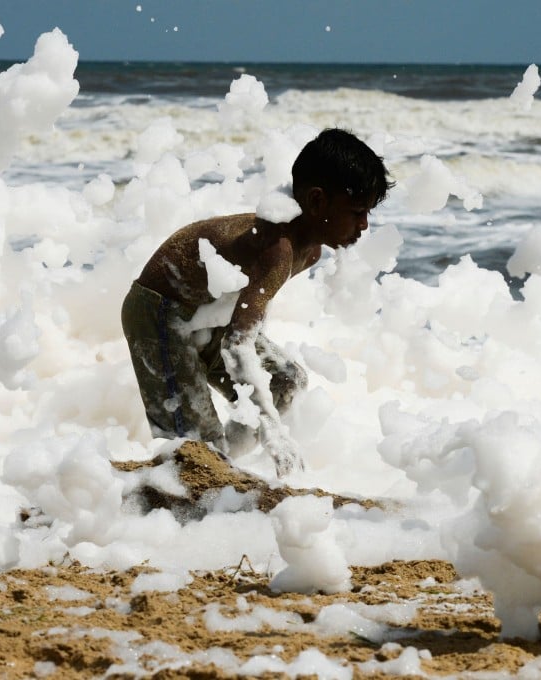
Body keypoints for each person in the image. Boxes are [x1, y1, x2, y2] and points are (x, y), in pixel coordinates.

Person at [122, 128, 392, 476]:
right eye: (357, 211)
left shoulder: (310, 252)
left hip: (206, 316)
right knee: (193, 454)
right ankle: (201, 468)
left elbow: (248, 317)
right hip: (158, 312)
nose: (364, 225)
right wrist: (274, 432)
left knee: (285, 380)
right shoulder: (278, 249)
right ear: (317, 201)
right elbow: (238, 345)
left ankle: (226, 463)